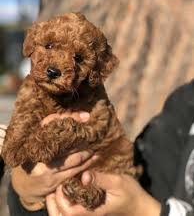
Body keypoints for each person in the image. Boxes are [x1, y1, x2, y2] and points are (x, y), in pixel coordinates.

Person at [5, 79, 194, 215]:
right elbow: (138, 173)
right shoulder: (184, 105)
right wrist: (27, 192)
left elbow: (134, 197)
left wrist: (143, 210)